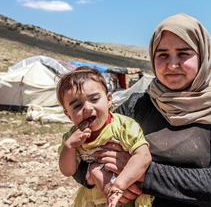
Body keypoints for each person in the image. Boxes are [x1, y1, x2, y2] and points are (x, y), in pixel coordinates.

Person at [74, 13, 211, 206]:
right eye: (162, 55)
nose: (172, 65)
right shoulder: (138, 105)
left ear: (203, 57)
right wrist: (97, 176)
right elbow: (82, 152)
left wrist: (141, 171)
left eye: (184, 53)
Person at [57, 67, 154, 207]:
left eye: (94, 99)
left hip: (127, 196)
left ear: (109, 100)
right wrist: (69, 147)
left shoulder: (123, 126)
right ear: (68, 115)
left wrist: (119, 185)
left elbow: (143, 155)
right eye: (77, 106)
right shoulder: (72, 137)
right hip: (93, 200)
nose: (87, 108)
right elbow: (68, 171)